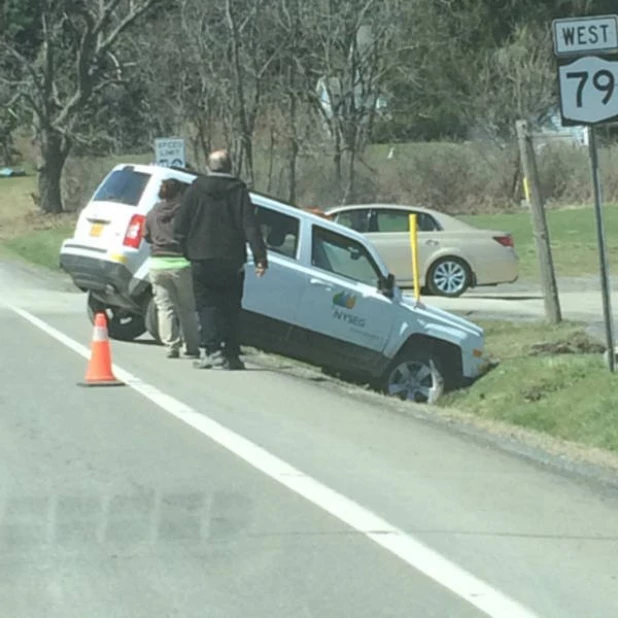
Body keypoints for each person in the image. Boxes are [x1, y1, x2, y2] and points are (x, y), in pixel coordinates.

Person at [174, 150, 268, 370]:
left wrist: (186, 250)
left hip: (201, 257)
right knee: (231, 307)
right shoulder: (239, 190)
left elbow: (180, 226)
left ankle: (212, 350)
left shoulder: (195, 189)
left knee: (206, 306)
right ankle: (232, 354)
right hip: (231, 259)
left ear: (208, 166)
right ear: (230, 167)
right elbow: (250, 225)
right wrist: (260, 257)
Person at [144, 179, 201, 359]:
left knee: (164, 307)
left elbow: (146, 236)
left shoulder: (152, 213)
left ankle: (170, 345)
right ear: (178, 194)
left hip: (157, 264)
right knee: (187, 308)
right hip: (181, 263)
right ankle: (191, 347)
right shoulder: (184, 213)